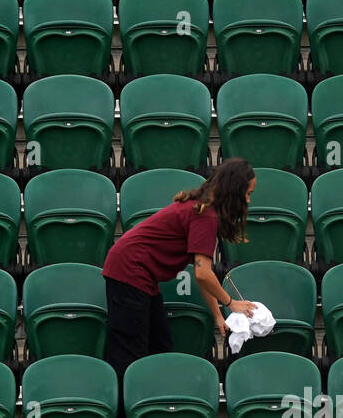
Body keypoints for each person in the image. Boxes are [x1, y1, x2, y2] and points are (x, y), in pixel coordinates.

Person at [102, 157, 259, 388]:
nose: (248, 200)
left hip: (140, 275)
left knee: (160, 345)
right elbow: (203, 274)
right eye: (247, 194)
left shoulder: (204, 210)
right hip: (129, 271)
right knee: (129, 357)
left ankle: (154, 405)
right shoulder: (206, 215)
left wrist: (217, 315)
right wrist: (231, 302)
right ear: (233, 192)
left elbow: (202, 272)